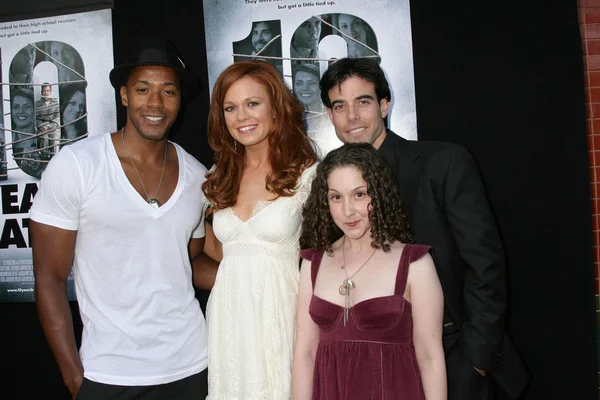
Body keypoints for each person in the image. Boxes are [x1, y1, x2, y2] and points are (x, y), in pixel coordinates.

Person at [319, 58, 529, 400]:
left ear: (385, 105)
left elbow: (485, 263)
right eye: (340, 106)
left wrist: (475, 359)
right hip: (371, 365)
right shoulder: (329, 186)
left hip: (451, 356)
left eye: (364, 101)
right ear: (330, 116)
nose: (352, 116)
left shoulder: (443, 163)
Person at [31, 37, 215, 399]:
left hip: (192, 365)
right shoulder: (78, 165)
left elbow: (188, 263)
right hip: (108, 373)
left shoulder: (198, 177)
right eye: (143, 89)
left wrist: (263, 269)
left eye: (169, 91)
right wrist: (73, 378)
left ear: (180, 100)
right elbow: (48, 277)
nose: (155, 103)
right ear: (124, 95)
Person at [293, 143, 446, 399]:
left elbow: (430, 356)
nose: (348, 210)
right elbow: (305, 352)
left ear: (379, 194)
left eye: (360, 194)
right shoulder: (312, 263)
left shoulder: (414, 263)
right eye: (336, 197)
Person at [202, 60, 318, 399]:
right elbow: (220, 252)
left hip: (284, 313)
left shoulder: (308, 173)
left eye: (253, 103)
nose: (242, 117)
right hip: (228, 319)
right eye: (230, 108)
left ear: (275, 108)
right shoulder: (217, 176)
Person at [35, 83, 60, 155]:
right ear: (41, 92)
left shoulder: (56, 104)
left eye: (48, 90)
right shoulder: (37, 104)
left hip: (53, 128)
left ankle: (54, 158)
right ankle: (44, 158)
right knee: (44, 138)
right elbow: (36, 118)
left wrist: (49, 126)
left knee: (54, 138)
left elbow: (58, 117)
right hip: (42, 129)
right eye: (44, 91)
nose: (46, 93)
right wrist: (41, 126)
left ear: (50, 92)